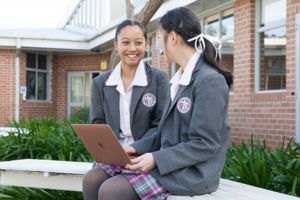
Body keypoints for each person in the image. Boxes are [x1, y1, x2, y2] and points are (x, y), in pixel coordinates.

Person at [124, 6, 233, 198]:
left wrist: (156, 158)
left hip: (192, 175)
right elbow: (164, 133)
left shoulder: (209, 81)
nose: (156, 46)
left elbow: (205, 144)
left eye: (158, 38)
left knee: (113, 189)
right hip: (171, 167)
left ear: (172, 38)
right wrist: (136, 148)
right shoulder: (179, 80)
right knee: (97, 177)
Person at [82, 19, 169, 200]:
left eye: (138, 42)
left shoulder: (158, 79)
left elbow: (161, 125)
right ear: (116, 45)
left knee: (110, 191)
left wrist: (134, 148)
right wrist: (110, 150)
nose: (132, 48)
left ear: (146, 44)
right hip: (113, 156)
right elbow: (97, 123)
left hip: (145, 155)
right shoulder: (101, 83)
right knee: (90, 180)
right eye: (125, 42)